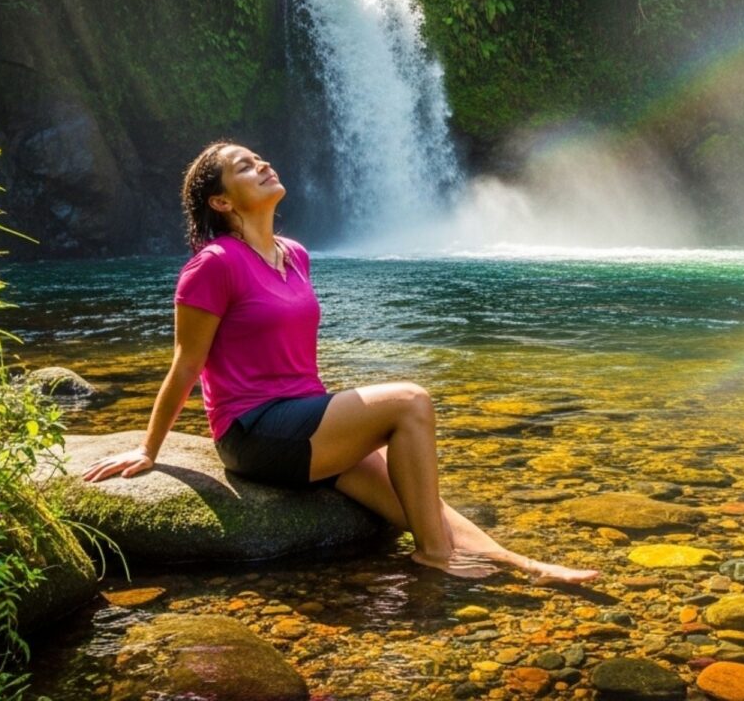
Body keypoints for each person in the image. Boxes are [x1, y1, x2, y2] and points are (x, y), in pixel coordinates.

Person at [81, 141, 598, 584]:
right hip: (253, 432)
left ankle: (523, 566)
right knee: (411, 402)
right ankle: (434, 558)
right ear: (221, 201)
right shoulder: (212, 265)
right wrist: (148, 449)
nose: (263, 165)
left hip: (303, 421)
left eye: (260, 159)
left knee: (420, 500)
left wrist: (340, 422)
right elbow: (186, 363)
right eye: (245, 167)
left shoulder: (295, 254)